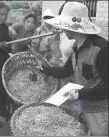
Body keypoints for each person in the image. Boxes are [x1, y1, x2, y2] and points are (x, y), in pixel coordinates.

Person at [39, 2, 108, 135]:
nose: (62, 29)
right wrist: (44, 69)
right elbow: (66, 71)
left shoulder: (101, 49)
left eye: (64, 26)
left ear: (73, 27)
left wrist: (79, 94)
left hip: (100, 112)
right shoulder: (76, 46)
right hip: (84, 108)